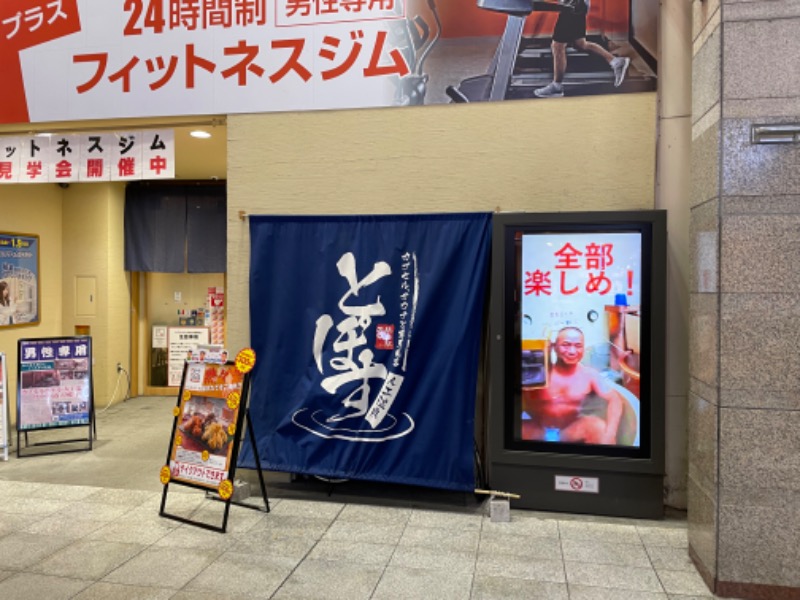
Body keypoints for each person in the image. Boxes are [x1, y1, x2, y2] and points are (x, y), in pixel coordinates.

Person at [521, 326, 623, 444]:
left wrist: (611, 433)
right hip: (537, 431)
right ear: (554, 347)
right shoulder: (539, 374)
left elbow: (615, 400)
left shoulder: (589, 375)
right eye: (566, 345)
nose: (572, 351)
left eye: (578, 346)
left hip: (570, 432)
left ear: (583, 349)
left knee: (597, 426)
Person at [534, 0, 630, 99]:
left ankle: (556, 86)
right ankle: (615, 61)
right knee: (580, 44)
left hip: (572, 6)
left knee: (558, 46)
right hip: (575, 6)